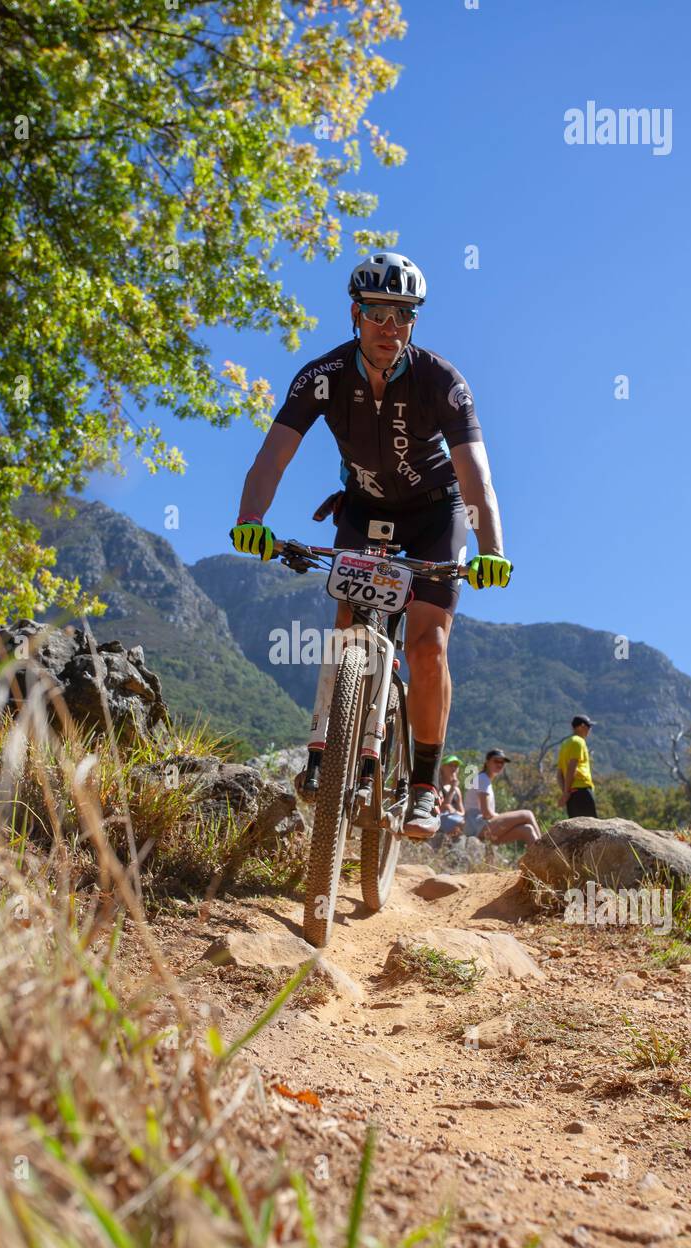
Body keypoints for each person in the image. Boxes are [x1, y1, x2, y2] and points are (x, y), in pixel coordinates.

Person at [229, 251, 513, 840]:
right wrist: (251, 517)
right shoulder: (322, 376)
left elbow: (475, 478)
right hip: (364, 510)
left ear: (414, 321)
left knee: (429, 643)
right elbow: (272, 454)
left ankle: (426, 786)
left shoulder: (442, 381)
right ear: (356, 314)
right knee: (348, 627)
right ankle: (325, 753)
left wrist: (492, 548)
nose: (391, 326)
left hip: (437, 514)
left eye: (404, 314)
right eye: (379, 312)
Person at [463, 750, 541, 845]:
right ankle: (546, 848)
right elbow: (486, 813)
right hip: (478, 826)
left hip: (480, 828)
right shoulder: (483, 778)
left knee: (527, 830)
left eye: (502, 762)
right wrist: (501, 817)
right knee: (527, 814)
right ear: (487, 762)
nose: (499, 764)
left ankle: (541, 857)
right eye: (496, 761)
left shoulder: (484, 779)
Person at [557, 716, 597, 818]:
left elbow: (559, 774)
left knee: (577, 829)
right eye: (589, 727)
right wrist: (566, 793)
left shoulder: (565, 744)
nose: (589, 730)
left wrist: (566, 792)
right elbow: (572, 767)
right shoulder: (579, 741)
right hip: (582, 791)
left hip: (572, 795)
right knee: (592, 829)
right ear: (582, 726)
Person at [439, 755, 465, 836]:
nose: (454, 769)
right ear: (442, 767)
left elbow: (462, 812)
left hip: (454, 817)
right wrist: (452, 789)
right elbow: (442, 807)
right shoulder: (438, 786)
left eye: (456, 766)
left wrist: (454, 811)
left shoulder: (457, 790)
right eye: (450, 765)